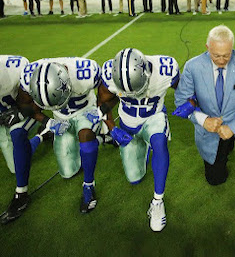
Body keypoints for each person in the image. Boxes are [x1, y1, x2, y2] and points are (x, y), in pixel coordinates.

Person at [175, 25, 235, 224]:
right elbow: (180, 102)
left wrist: (234, 127)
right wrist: (204, 120)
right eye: (216, 55)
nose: (221, 61)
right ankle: (225, 148)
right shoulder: (193, 66)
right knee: (216, 179)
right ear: (207, 47)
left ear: (232, 49)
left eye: (226, 56)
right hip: (212, 127)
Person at [0, 58, 102, 224]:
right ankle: (49, 135)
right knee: (68, 172)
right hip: (60, 118)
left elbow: (108, 92)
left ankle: (89, 185)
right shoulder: (29, 76)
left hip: (84, 110)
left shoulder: (87, 72)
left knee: (86, 134)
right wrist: (47, 121)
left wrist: (100, 112)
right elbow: (24, 104)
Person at [99, 48, 179, 231]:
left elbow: (185, 89)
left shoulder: (164, 69)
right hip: (127, 122)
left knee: (159, 143)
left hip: (154, 117)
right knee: (134, 177)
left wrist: (190, 104)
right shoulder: (110, 74)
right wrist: (112, 129)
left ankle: (158, 202)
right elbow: (102, 104)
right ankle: (144, 147)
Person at [0, 55, 46, 174]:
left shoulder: (18, 67)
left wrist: (20, 113)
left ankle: (40, 130)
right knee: (16, 167)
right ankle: (41, 135)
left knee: (18, 139)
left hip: (20, 108)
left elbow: (38, 100)